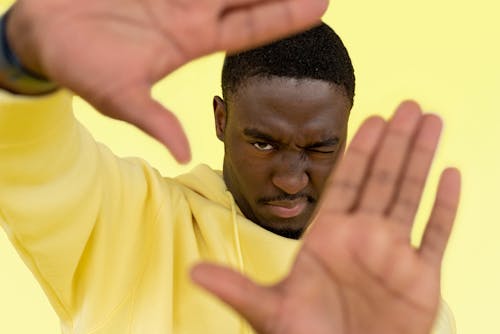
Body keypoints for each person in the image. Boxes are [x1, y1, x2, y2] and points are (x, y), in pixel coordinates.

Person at [0, 0, 461, 334]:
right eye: (263, 143)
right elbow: (27, 155)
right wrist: (21, 56)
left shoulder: (392, 297)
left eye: (319, 148)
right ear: (222, 119)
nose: (290, 179)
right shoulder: (131, 225)